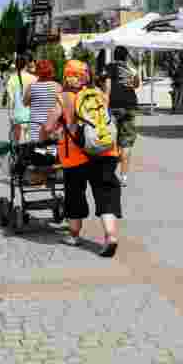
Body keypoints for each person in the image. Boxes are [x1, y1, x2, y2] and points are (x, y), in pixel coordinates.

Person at [41, 60, 122, 258]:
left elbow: (48, 127)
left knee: (75, 194)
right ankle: (110, 236)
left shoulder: (64, 98)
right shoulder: (99, 95)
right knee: (106, 194)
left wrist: (43, 139)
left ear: (67, 76)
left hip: (76, 157)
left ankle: (74, 236)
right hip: (106, 151)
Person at [104, 46, 140, 186]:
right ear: (126, 56)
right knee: (126, 143)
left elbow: (107, 88)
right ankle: (124, 177)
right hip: (130, 106)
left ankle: (109, 174)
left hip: (114, 106)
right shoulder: (131, 69)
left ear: (114, 56)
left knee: (111, 140)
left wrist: (105, 106)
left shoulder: (110, 67)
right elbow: (136, 85)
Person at [24, 60, 61, 152]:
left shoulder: (31, 87)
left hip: (35, 128)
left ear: (37, 72)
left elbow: (25, 103)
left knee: (37, 155)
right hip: (51, 128)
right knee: (51, 154)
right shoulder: (58, 87)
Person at [7, 55, 36, 142]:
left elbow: (10, 99)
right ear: (26, 65)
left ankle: (17, 152)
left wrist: (10, 114)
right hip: (31, 113)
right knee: (29, 137)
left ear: (16, 66)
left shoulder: (12, 79)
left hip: (17, 112)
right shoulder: (33, 78)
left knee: (16, 138)